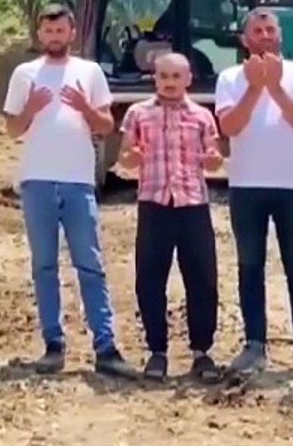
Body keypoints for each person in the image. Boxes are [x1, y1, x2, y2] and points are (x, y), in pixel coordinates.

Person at [3, 3, 137, 378]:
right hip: (37, 181)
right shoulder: (24, 74)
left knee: (90, 265)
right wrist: (29, 108)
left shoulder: (89, 72)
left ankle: (106, 346)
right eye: (48, 31)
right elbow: (13, 130)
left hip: (78, 181)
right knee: (44, 266)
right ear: (39, 34)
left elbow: (107, 126)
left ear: (72, 33)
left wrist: (84, 107)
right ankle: (53, 344)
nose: (54, 37)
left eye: (60, 30)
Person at [213, 8, 293, 379]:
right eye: (256, 30)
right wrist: (255, 86)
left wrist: (274, 87)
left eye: (269, 29)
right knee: (249, 267)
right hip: (246, 186)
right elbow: (229, 125)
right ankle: (255, 344)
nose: (264, 35)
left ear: (279, 35)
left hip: (292, 186)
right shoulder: (230, 78)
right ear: (245, 39)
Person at [117, 52, 223, 382]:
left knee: (202, 279)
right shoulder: (138, 114)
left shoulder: (203, 116)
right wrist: (131, 156)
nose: (170, 83)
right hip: (154, 204)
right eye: (164, 76)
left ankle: (202, 352)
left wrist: (213, 160)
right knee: (150, 279)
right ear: (155, 78)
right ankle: (156, 352)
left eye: (177, 77)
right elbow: (125, 158)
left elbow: (216, 159)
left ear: (188, 79)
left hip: (193, 205)